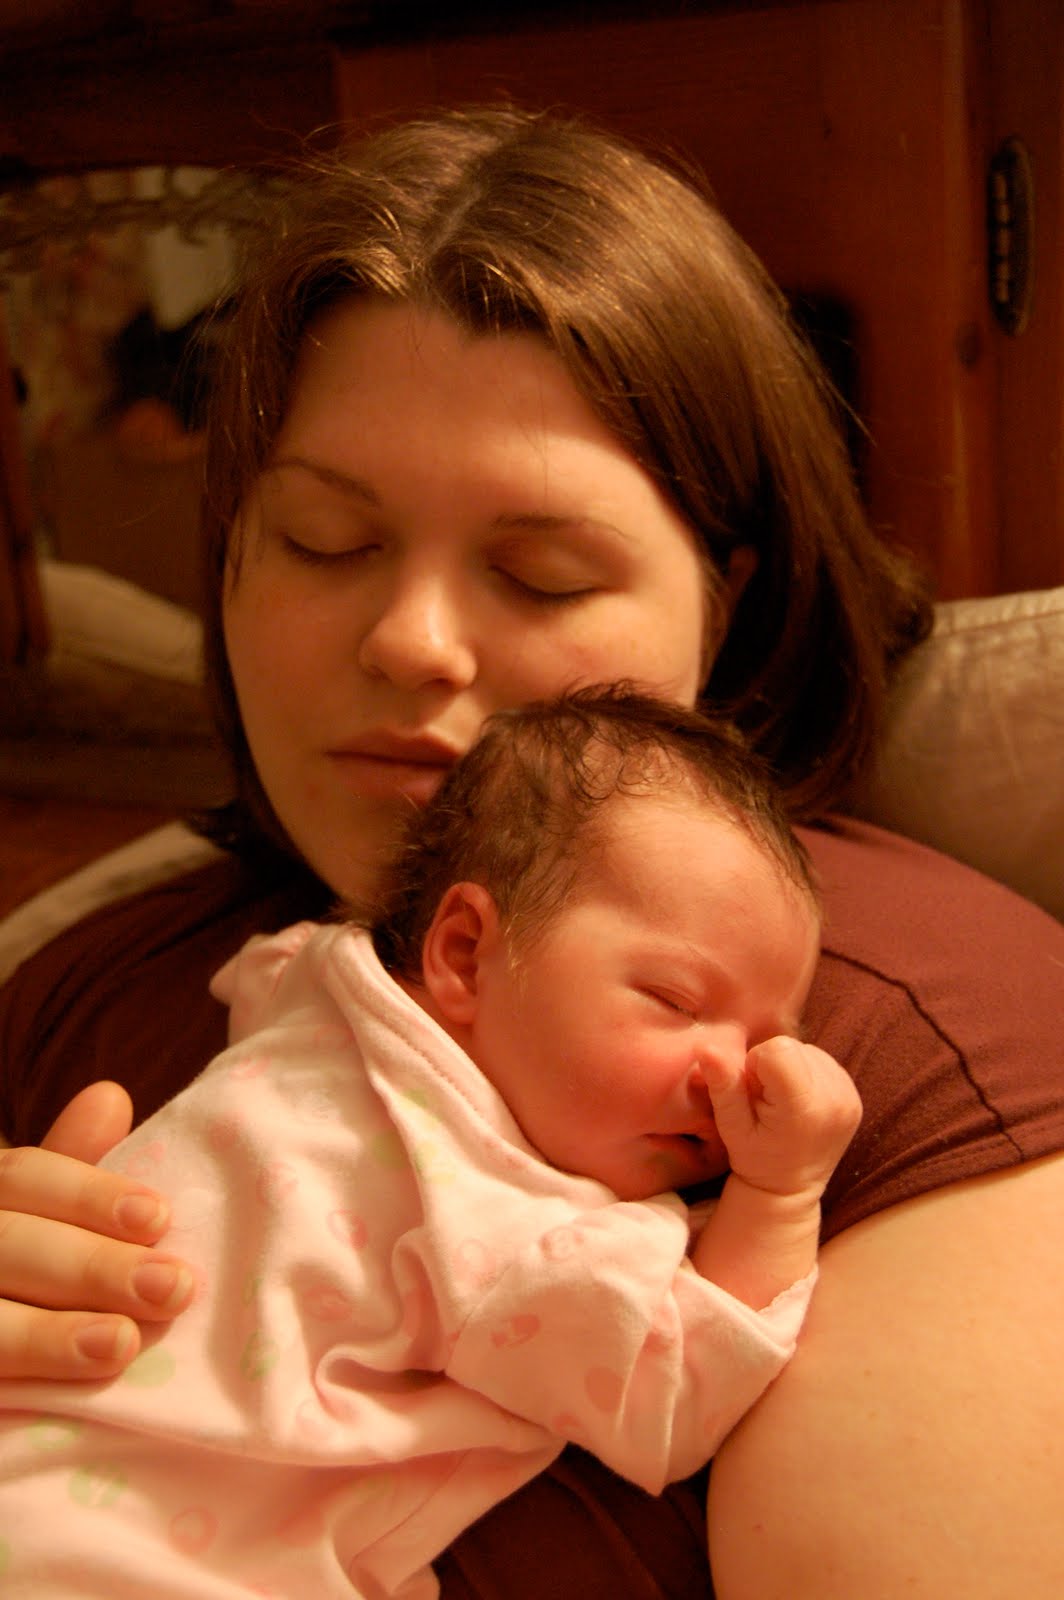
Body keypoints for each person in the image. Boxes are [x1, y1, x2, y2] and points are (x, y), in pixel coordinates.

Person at [0, 104, 1062, 1598]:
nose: (409, 641)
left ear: (727, 598)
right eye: (321, 541)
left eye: (542, 571)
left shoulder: (909, 1046)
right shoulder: (97, 972)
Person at [0, 691, 861, 1596]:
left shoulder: (310, 984)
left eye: (771, 1044)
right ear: (460, 953)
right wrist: (781, 1192)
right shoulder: (493, 1209)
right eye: (675, 1002)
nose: (733, 1077)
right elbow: (675, 1394)